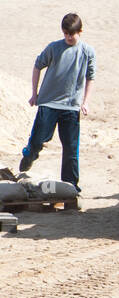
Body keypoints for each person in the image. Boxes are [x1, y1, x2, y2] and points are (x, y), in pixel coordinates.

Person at [19, 13, 96, 192]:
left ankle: (71, 185)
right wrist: (34, 93)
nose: (69, 37)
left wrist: (86, 102)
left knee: (71, 148)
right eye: (66, 33)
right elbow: (37, 66)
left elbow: (90, 77)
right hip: (49, 103)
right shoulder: (53, 48)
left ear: (80, 32)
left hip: (71, 106)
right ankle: (29, 155)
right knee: (38, 139)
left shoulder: (87, 52)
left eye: (72, 34)